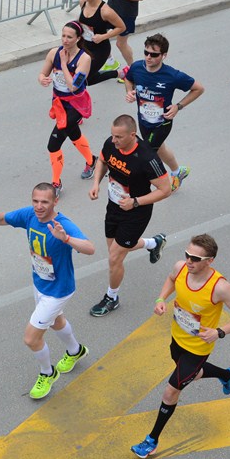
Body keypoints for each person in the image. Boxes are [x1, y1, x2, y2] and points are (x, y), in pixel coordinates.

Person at [130, 234, 230, 459]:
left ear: (209, 261)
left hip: (198, 348)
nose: (189, 261)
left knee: (171, 390)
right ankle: (227, 375)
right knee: (190, 374)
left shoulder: (220, 288)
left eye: (195, 258)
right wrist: (161, 299)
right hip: (177, 338)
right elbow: (171, 279)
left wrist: (219, 332)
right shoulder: (180, 268)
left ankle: (151, 440)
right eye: (187, 255)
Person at [0, 184, 95, 400]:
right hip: (40, 283)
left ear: (55, 202)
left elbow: (90, 248)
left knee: (31, 339)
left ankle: (47, 373)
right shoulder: (29, 215)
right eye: (35, 201)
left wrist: (66, 239)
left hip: (58, 291)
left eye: (45, 202)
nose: (39, 206)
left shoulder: (63, 225)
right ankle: (75, 351)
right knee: (56, 321)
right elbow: (2, 219)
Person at [88, 114, 171, 317]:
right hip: (114, 206)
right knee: (115, 250)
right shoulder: (111, 144)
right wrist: (96, 183)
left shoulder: (147, 158)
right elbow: (102, 161)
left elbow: (165, 189)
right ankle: (154, 243)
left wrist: (135, 202)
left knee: (114, 257)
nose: (113, 140)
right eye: (112, 135)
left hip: (136, 212)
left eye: (118, 137)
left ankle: (112, 297)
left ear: (132, 135)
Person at [123, 33, 205, 190]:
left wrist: (178, 106)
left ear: (164, 55)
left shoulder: (172, 75)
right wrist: (129, 91)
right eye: (146, 52)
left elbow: (199, 89)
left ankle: (160, 186)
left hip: (162, 123)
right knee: (160, 149)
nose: (148, 57)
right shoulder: (137, 67)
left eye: (154, 55)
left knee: (147, 155)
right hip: (143, 120)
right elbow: (128, 78)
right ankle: (178, 172)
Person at [37, 21, 96, 198]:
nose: (65, 40)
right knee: (74, 133)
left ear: (78, 38)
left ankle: (56, 183)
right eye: (63, 35)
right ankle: (92, 161)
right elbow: (42, 73)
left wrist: (63, 64)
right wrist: (42, 79)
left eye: (69, 37)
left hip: (76, 104)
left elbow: (73, 87)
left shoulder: (84, 59)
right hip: (59, 104)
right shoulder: (53, 53)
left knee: (53, 144)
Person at [77, 0, 125, 86]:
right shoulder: (83, 2)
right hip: (84, 45)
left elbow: (122, 27)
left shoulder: (105, 11)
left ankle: (118, 73)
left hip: (100, 49)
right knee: (78, 75)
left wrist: (103, 37)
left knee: (85, 80)